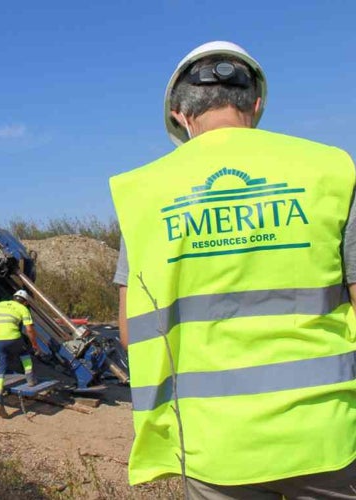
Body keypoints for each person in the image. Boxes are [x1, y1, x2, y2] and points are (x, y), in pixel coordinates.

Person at [109, 41, 356, 498]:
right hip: (328, 433)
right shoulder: (330, 170)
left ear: (180, 115)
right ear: (256, 104)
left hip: (213, 445)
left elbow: (128, 331)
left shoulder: (143, 195)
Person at [0, 289, 40, 418]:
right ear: (25, 302)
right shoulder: (23, 309)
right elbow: (29, 330)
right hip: (14, 338)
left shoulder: (0, 304)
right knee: (24, 352)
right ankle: (31, 379)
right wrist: (35, 344)